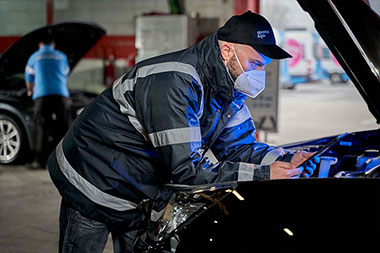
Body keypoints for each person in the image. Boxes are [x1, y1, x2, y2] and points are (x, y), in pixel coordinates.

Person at [48, 11, 319, 253]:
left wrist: (280, 159)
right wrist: (262, 174)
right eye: (256, 63)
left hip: (139, 188)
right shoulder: (174, 82)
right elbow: (187, 169)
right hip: (92, 177)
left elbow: (239, 147)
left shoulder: (228, 88)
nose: (260, 72)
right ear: (227, 51)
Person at [25, 37, 71, 169]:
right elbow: (65, 73)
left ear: (40, 44)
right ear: (53, 44)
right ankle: (66, 161)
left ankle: (40, 161)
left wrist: (29, 90)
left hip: (42, 95)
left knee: (42, 127)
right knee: (63, 127)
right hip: (61, 94)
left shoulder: (34, 57)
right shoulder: (61, 56)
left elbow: (29, 77)